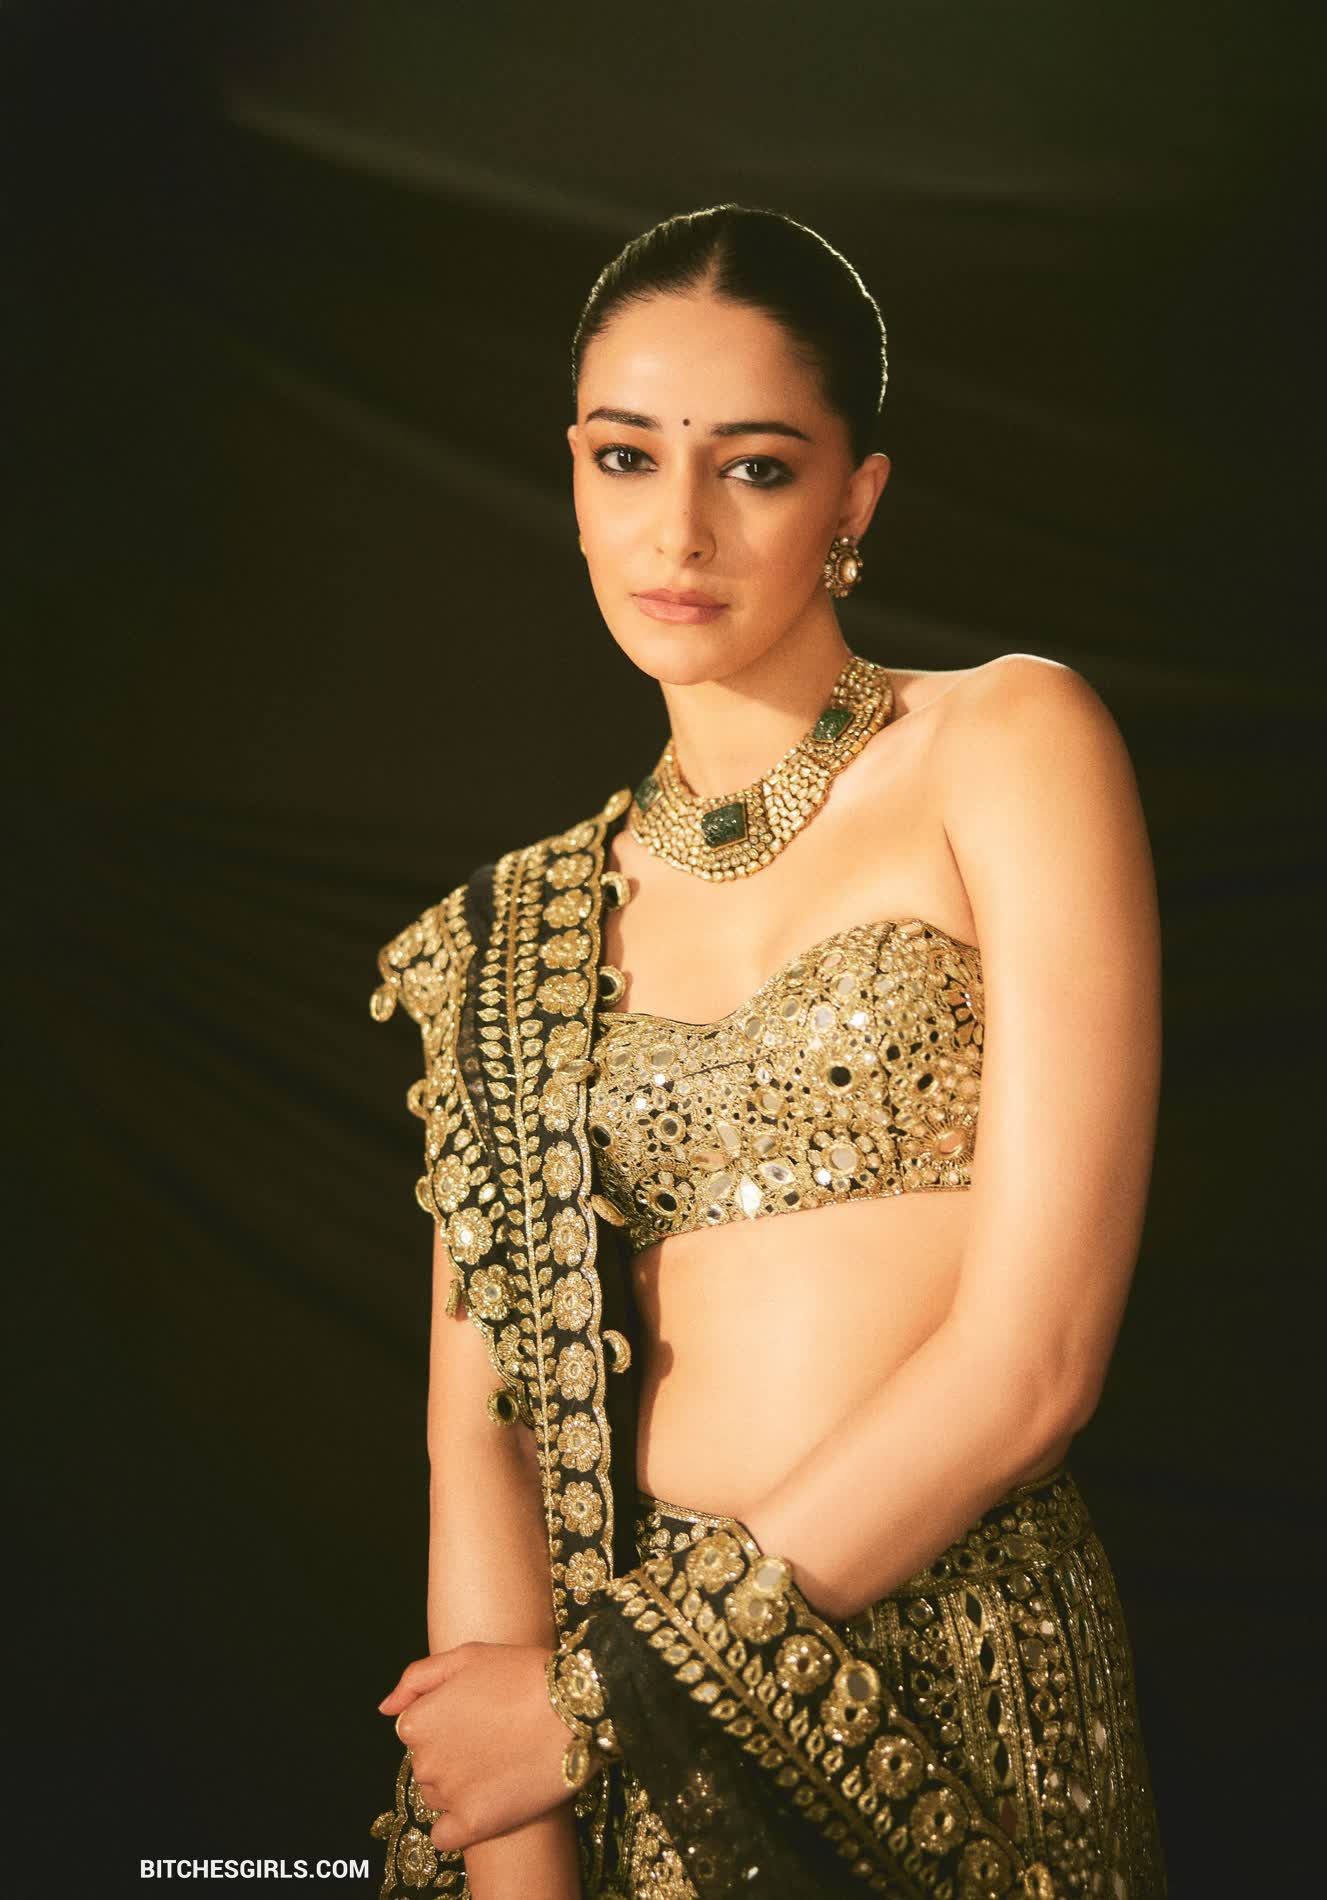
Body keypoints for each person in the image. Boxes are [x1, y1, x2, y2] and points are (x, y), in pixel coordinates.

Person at [367, 204, 1167, 1899]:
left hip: (952, 1698)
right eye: (625, 457)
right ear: (574, 476)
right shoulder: (507, 933)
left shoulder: (1003, 745)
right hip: (619, 1761)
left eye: (753, 468)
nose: (678, 529)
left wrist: (598, 1696)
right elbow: (480, 1442)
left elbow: (1034, 1362)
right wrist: (533, 1843)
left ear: (854, 499)